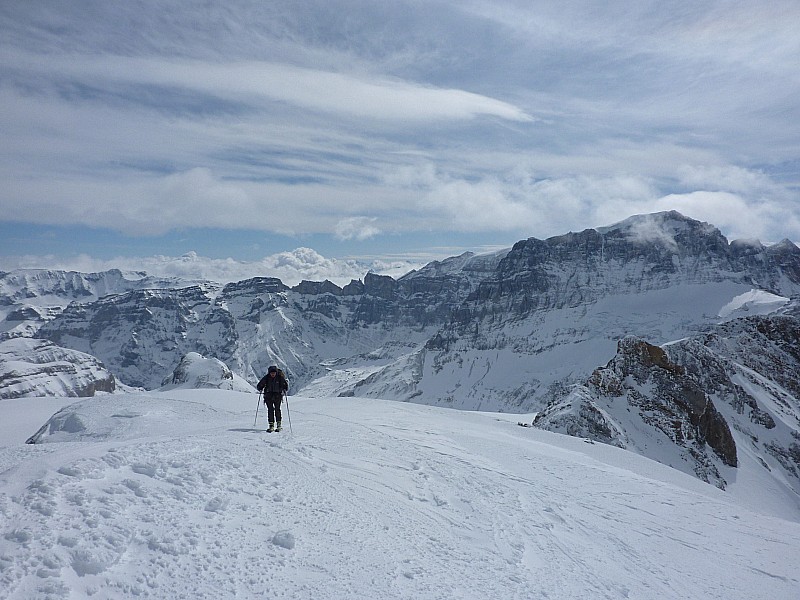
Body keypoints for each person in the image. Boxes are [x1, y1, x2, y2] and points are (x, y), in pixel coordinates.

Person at [257, 365, 289, 432]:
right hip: (269, 396)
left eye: (274, 373)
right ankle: (272, 425)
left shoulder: (279, 378)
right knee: (271, 410)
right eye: (271, 373)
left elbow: (285, 385)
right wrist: (260, 387)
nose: (273, 374)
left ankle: (278, 425)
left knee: (276, 409)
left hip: (276, 396)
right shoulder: (268, 378)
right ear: (269, 372)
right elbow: (260, 385)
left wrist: (284, 387)